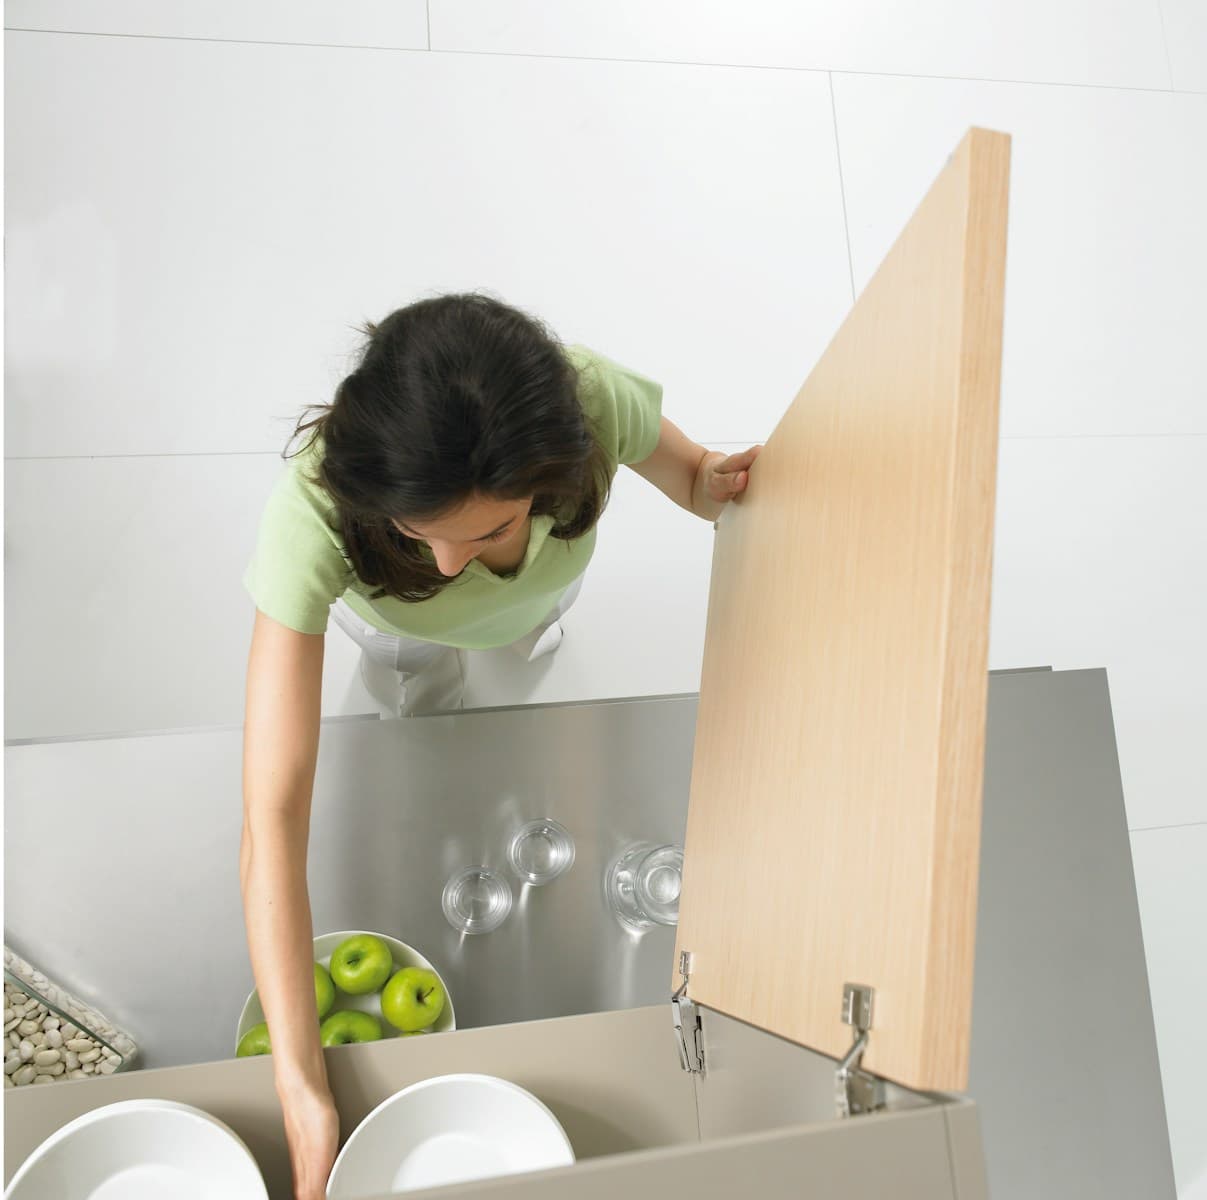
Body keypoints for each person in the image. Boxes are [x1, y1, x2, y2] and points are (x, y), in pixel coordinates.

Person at [239, 292, 760, 1199]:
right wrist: (300, 1085)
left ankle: (519, 636)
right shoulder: (314, 513)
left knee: (525, 644)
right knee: (415, 680)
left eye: (492, 529)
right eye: (418, 532)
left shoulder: (588, 400)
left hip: (539, 605)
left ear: (552, 474)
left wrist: (720, 481)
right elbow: (271, 814)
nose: (448, 566)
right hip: (397, 634)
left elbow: (688, 474)